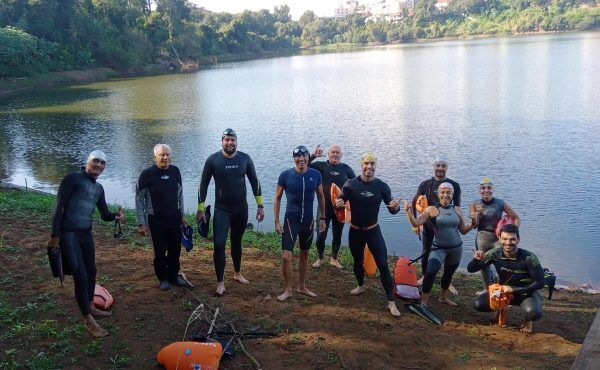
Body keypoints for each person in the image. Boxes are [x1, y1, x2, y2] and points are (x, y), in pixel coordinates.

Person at [48, 150, 124, 337]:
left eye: (103, 163)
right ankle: (87, 319)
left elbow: (104, 214)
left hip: (85, 235)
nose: (99, 165)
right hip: (68, 234)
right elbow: (58, 207)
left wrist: (115, 216)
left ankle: (90, 305)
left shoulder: (98, 189)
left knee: (92, 271)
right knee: (80, 275)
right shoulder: (72, 179)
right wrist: (55, 236)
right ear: (88, 161)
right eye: (96, 161)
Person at [196, 129, 264, 296]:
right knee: (219, 243)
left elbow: (255, 182)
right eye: (227, 140)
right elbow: (203, 184)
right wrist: (200, 208)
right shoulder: (213, 160)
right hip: (222, 209)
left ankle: (237, 273)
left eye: (233, 140)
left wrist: (260, 205)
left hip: (241, 208)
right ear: (222, 141)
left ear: (236, 141)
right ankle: (220, 282)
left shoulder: (245, 159)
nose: (230, 143)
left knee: (236, 241)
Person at [334, 152, 402, 316]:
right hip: (355, 231)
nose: (369, 167)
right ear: (361, 165)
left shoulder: (382, 186)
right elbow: (339, 204)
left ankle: (391, 302)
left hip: (373, 231)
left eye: (372, 164)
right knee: (357, 262)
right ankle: (361, 285)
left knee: (383, 265)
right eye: (366, 163)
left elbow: (392, 208)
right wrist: (337, 204)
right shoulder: (350, 184)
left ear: (375, 166)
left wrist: (395, 208)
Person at [404, 182, 475, 306]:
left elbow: (463, 230)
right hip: (438, 248)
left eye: (449, 192)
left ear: (452, 195)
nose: (445, 195)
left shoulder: (456, 210)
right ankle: (424, 302)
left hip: (456, 249)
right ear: (438, 194)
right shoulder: (432, 209)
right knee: (430, 272)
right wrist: (408, 212)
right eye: (443, 192)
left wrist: (473, 223)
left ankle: (443, 297)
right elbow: (416, 223)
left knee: (448, 274)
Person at [468, 224, 544, 333]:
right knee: (477, 304)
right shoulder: (494, 254)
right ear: (499, 238)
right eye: (504, 239)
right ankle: (500, 309)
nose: (508, 243)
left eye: (512, 239)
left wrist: (514, 290)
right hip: (503, 293)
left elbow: (540, 283)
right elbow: (471, 269)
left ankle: (528, 322)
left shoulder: (529, 258)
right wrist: (476, 259)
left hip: (526, 293)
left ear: (518, 239)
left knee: (532, 313)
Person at [274, 145, 326, 301]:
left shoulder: (315, 174)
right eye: (298, 158)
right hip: (291, 220)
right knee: (286, 256)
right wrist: (276, 221)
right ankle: (288, 289)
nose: (301, 160)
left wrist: (322, 217)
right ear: (294, 159)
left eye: (304, 158)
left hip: (308, 222)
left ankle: (302, 286)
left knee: (305, 254)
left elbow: (321, 196)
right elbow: (277, 198)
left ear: (308, 159)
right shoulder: (286, 175)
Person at [136, 144, 189, 291]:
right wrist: (141, 223)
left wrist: (182, 215)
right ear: (155, 156)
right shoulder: (146, 174)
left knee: (175, 249)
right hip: (155, 219)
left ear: (171, 156)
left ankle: (173, 276)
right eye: (162, 155)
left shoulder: (175, 171)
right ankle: (163, 279)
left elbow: (180, 195)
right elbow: (139, 199)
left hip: (174, 218)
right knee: (159, 251)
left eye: (167, 155)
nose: (165, 157)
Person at [412, 158, 461, 291]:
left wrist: (459, 225)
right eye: (438, 166)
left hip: (446, 225)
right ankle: (424, 276)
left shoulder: (454, 185)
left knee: (448, 251)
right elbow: (414, 202)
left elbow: (457, 207)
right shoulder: (426, 184)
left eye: (443, 166)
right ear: (434, 167)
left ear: (447, 168)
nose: (440, 168)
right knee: (426, 251)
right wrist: (416, 224)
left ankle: (447, 280)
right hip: (428, 224)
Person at [470, 177, 521, 293]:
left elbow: (516, 218)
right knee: (483, 264)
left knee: (504, 265)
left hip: (498, 239)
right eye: (483, 188)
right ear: (479, 190)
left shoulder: (500, 203)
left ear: (493, 189)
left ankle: (504, 290)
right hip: (482, 238)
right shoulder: (474, 203)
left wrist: (513, 232)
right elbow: (474, 225)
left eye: (489, 188)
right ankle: (486, 289)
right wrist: (477, 215)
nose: (486, 190)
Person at [308, 144, 356, 268]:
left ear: (341, 155)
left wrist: (349, 203)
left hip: (340, 208)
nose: (335, 154)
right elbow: (303, 165)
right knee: (320, 236)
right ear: (328, 154)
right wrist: (313, 155)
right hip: (324, 208)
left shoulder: (346, 169)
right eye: (332, 152)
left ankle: (334, 259)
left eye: (337, 152)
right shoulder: (320, 166)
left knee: (337, 234)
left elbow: (356, 185)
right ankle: (320, 258)